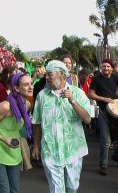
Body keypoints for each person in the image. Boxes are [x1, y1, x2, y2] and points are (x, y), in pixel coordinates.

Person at [32, 60, 91, 193]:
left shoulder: (78, 93)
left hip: (73, 151)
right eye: (46, 74)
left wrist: (72, 101)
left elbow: (87, 119)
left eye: (49, 74)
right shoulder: (42, 96)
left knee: (72, 187)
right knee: (56, 190)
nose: (46, 78)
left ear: (62, 75)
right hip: (50, 151)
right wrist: (36, 145)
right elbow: (37, 122)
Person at [0, 73, 33, 193]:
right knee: (4, 190)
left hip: (13, 149)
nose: (31, 87)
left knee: (15, 189)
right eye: (26, 85)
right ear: (16, 88)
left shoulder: (27, 105)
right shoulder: (5, 106)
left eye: (31, 83)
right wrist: (4, 139)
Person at [87, 59, 118, 176]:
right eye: (104, 66)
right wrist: (103, 99)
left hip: (115, 112)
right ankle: (103, 164)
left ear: (112, 68)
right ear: (101, 67)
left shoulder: (116, 78)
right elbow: (90, 94)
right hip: (103, 112)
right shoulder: (96, 79)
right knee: (106, 141)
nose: (106, 68)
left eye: (108, 66)